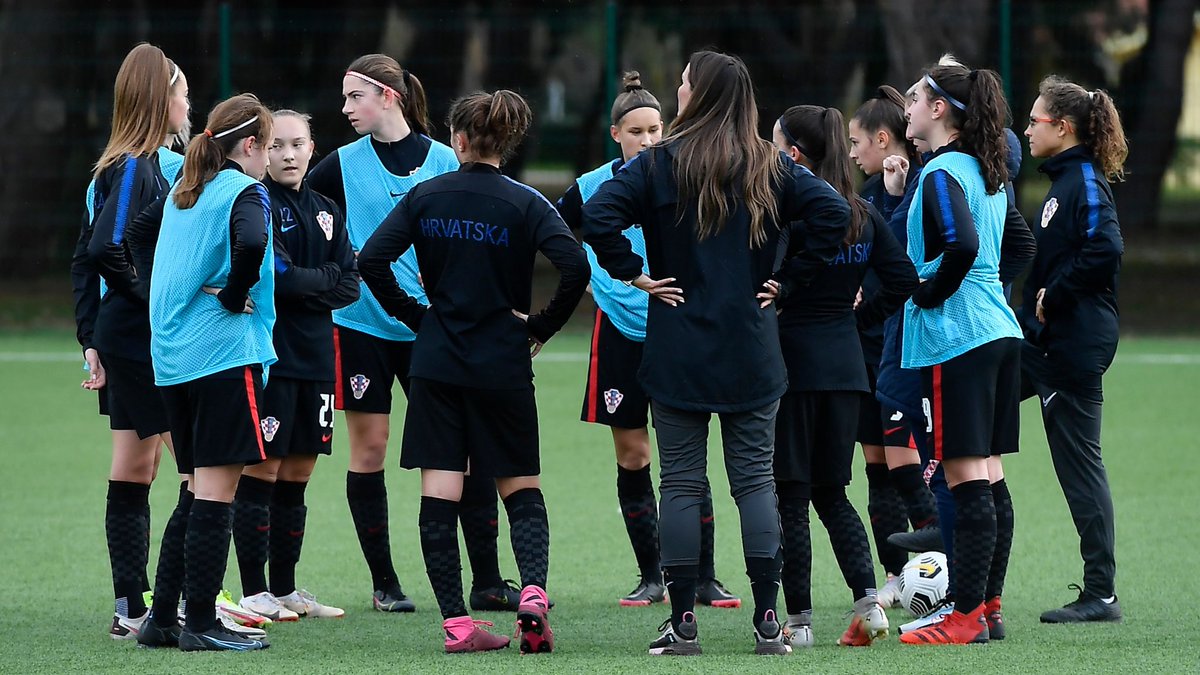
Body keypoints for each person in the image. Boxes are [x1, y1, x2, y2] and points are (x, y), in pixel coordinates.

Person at [583, 50, 850, 656]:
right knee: (755, 483)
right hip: (752, 347)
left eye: (682, 85)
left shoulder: (656, 163)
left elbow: (597, 215)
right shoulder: (770, 164)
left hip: (678, 345)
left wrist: (636, 274)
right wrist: (789, 279)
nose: (676, 94)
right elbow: (833, 211)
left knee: (679, 483)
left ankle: (682, 626)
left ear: (698, 94)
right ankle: (766, 623)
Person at [359, 90, 589, 654]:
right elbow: (575, 266)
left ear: (457, 141)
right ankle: (532, 594)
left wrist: (420, 317)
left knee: (440, 488)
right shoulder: (526, 203)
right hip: (502, 363)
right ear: (505, 145)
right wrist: (538, 327)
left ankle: (459, 627)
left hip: (436, 363)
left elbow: (370, 260)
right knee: (519, 485)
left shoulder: (424, 196)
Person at [306, 54, 516, 613]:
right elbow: (297, 214)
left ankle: (489, 580)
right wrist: (330, 268)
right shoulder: (339, 166)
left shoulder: (448, 160)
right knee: (370, 449)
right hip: (361, 328)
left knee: (462, 453)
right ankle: (385, 583)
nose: (346, 107)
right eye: (345, 98)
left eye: (355, 96)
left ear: (389, 96)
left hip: (433, 330)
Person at [556, 71, 739, 609]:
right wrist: (584, 274)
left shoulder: (681, 176)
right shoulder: (591, 188)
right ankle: (652, 576)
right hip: (619, 332)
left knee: (686, 458)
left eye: (656, 129)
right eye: (636, 131)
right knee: (633, 454)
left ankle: (704, 577)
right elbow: (546, 230)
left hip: (677, 326)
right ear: (616, 134)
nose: (648, 140)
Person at [895, 57, 1036, 646]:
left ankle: (964, 615)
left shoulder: (944, 171)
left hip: (961, 336)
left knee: (963, 479)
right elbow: (1016, 245)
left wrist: (927, 291)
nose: (906, 108)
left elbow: (962, 244)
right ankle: (988, 609)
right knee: (989, 474)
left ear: (938, 110)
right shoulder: (988, 169)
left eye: (914, 99)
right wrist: (983, 287)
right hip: (998, 331)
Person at [771, 104, 918, 648]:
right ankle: (869, 606)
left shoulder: (793, 217)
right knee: (833, 494)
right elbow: (902, 279)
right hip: (847, 370)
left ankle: (800, 622)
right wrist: (858, 321)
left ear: (796, 155)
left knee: (791, 495)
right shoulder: (862, 213)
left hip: (794, 370)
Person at [139, 93, 276, 652]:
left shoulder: (181, 192)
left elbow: (127, 237)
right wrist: (233, 294)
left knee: (194, 489)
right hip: (222, 357)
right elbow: (253, 240)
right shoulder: (245, 190)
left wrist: (176, 286)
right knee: (218, 493)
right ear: (249, 146)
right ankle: (201, 622)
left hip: (172, 360)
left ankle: (161, 619)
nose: (269, 159)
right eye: (267, 147)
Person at [68, 42, 189, 639]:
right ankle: (180, 602)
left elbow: (82, 258)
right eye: (183, 93)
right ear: (159, 99)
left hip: (121, 334)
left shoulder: (112, 166)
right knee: (199, 467)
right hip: (144, 338)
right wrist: (154, 300)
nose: (188, 105)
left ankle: (131, 604)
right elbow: (101, 251)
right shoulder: (140, 165)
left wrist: (89, 335)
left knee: (137, 464)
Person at [229, 109, 359, 622]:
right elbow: (275, 278)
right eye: (277, 144)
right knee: (263, 467)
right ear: (261, 149)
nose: (287, 154)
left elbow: (350, 283)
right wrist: (322, 278)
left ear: (312, 148)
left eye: (297, 144)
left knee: (300, 469)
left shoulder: (327, 208)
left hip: (318, 357)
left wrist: (318, 279)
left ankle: (284, 589)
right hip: (271, 356)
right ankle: (253, 589)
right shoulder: (257, 203)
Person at [1021, 75, 1126, 624]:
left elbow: (1106, 247)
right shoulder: (1064, 179)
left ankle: (1101, 594)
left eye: (1035, 119)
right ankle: (949, 505)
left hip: (1074, 343)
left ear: (1061, 128)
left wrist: (1053, 295)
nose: (1027, 126)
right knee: (976, 382)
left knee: (1079, 466)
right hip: (1045, 340)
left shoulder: (1083, 180)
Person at [848, 86, 939, 604]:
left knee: (909, 468)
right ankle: (896, 575)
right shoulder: (867, 194)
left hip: (905, 349)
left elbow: (905, 263)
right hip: (868, 351)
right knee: (877, 466)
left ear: (884, 139)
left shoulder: (920, 183)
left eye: (859, 141)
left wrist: (898, 195)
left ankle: (940, 568)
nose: (855, 151)